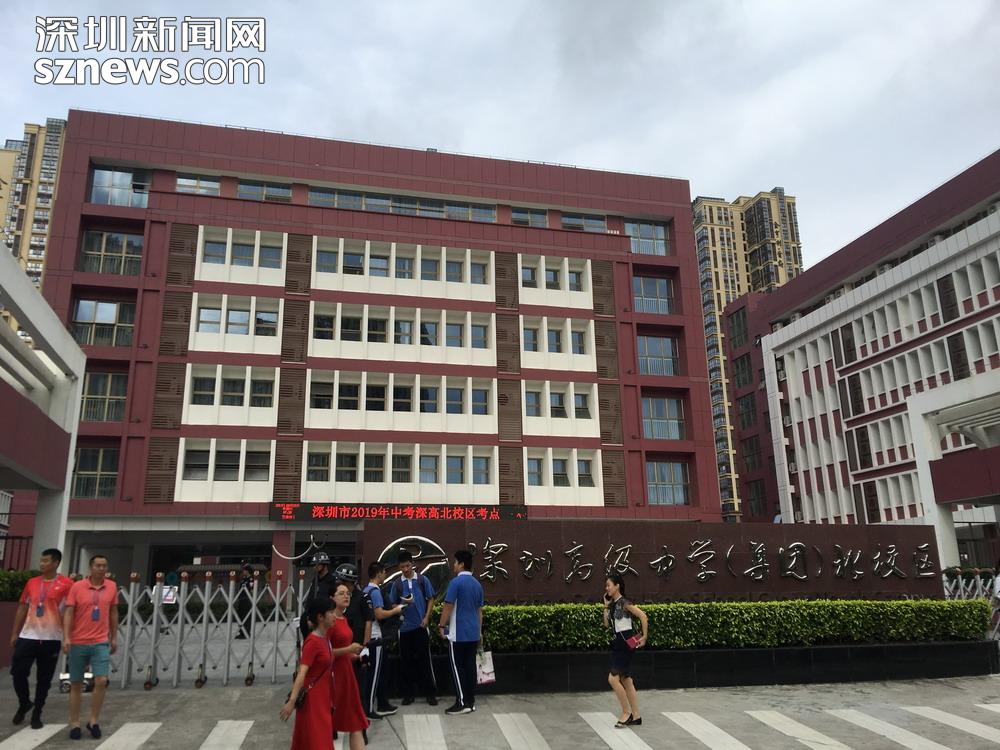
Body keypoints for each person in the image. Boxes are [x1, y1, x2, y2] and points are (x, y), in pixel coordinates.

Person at [9, 548, 73, 730]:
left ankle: (37, 713)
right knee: (18, 671)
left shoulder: (67, 584)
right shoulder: (32, 582)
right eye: (41, 560)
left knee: (44, 678)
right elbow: (22, 607)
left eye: (46, 561)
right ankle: (24, 702)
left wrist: (67, 637)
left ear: (55, 563)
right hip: (28, 635)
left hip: (51, 637)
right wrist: (15, 633)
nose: (42, 564)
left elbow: (69, 612)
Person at [63, 554, 118, 740]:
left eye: (104, 565)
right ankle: (75, 722)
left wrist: (114, 637)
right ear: (90, 567)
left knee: (101, 680)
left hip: (100, 641)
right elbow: (69, 612)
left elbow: (113, 612)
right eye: (98, 565)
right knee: (76, 683)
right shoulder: (77, 587)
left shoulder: (111, 586)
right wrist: (66, 637)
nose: (101, 569)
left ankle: (93, 720)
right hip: (78, 641)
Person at [280, 597, 336, 750]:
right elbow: (302, 673)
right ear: (320, 617)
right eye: (331, 612)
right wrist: (292, 701)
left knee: (320, 740)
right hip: (312, 700)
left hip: (323, 697)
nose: (334, 616)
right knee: (316, 741)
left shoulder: (325, 638)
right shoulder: (312, 642)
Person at [388, 550, 438, 706]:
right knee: (406, 662)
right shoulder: (397, 584)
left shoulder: (422, 580)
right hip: (404, 628)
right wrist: (401, 606)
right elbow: (392, 604)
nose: (405, 569)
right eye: (402, 567)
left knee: (425, 661)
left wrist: (427, 617)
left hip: (421, 626)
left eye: (407, 566)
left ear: (412, 564)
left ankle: (430, 694)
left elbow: (431, 598)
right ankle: (408, 694)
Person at [437, 550, 483, 715]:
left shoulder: (455, 583)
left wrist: (441, 625)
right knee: (470, 667)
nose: (454, 565)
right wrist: (479, 631)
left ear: (462, 564)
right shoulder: (477, 584)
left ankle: (462, 702)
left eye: (455, 562)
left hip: (458, 633)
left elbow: (448, 606)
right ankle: (470, 701)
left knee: (457, 668)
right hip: (473, 633)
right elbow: (479, 611)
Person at [602, 572, 649, 728]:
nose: (606, 588)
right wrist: (606, 606)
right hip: (620, 644)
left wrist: (644, 637)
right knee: (626, 680)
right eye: (606, 585)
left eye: (609, 585)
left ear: (617, 586)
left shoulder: (624, 602)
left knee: (613, 679)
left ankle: (626, 713)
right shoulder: (614, 604)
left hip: (626, 643)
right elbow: (607, 625)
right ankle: (636, 716)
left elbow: (643, 616)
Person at [362, 561, 404, 719]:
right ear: (379, 573)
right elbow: (379, 614)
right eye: (384, 572)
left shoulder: (365, 590)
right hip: (376, 637)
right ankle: (369, 709)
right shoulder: (375, 592)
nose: (385, 574)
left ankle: (382, 703)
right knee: (375, 674)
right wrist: (396, 610)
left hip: (368, 637)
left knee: (378, 672)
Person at [329, 584, 369, 749]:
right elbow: (324, 652)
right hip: (334, 676)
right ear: (332, 598)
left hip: (347, 673)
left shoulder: (343, 619)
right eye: (341, 593)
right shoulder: (329, 621)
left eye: (348, 594)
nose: (346, 596)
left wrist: (355, 655)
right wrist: (348, 650)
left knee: (356, 722)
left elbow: (343, 650)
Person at [299, 552, 338, 639]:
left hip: (324, 617)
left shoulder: (332, 580)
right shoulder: (315, 580)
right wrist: (308, 617)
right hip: (312, 617)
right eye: (314, 565)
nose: (315, 567)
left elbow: (333, 601)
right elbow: (310, 599)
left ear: (324, 565)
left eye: (317, 565)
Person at [235, 564, 254, 640]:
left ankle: (246, 633)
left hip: (247, 600)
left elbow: (251, 589)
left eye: (244, 570)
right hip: (241, 599)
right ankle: (242, 632)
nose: (243, 571)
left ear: (247, 571)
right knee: (241, 616)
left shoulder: (251, 579)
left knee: (246, 617)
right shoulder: (244, 579)